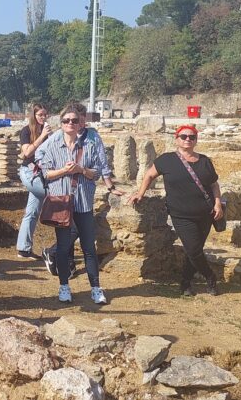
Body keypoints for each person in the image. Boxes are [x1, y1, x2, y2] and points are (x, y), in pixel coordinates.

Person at [35, 102, 117, 305]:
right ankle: (64, 286)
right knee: (63, 248)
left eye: (74, 120)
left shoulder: (89, 143)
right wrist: (64, 171)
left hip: (83, 202)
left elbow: (95, 172)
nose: (70, 123)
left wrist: (80, 170)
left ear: (80, 123)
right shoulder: (53, 144)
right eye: (66, 120)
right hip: (62, 202)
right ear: (61, 123)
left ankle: (96, 288)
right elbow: (46, 173)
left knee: (89, 247)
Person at [127, 125, 223, 296]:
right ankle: (210, 277)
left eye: (192, 137)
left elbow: (214, 185)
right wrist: (140, 193)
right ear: (177, 139)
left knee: (195, 250)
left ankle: (185, 283)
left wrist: (217, 204)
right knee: (193, 249)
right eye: (184, 136)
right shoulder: (167, 160)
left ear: (196, 140)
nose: (188, 139)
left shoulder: (205, 161)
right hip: (181, 215)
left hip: (206, 214)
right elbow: (149, 175)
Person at [16, 103, 51, 258]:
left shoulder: (47, 132)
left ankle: (23, 248)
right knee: (55, 194)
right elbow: (27, 152)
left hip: (41, 173)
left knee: (32, 211)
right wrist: (42, 136)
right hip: (29, 172)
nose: (43, 118)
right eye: (40, 115)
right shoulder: (25, 131)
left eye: (45, 115)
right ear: (34, 116)